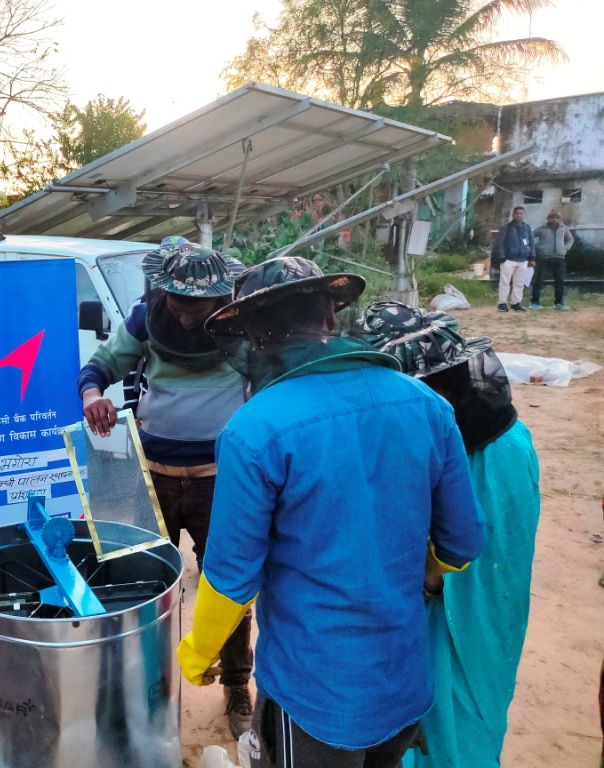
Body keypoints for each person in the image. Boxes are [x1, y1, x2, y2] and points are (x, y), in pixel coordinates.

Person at [177, 257, 485, 768]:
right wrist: (416, 576)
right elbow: (463, 543)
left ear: (255, 336)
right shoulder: (426, 403)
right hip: (404, 680)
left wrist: (197, 653)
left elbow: (231, 577)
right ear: (330, 317)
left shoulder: (254, 429)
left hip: (315, 696)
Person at [77, 243, 256, 737]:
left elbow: (270, 385)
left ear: (220, 298)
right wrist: (94, 396)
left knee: (230, 586)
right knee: (142, 581)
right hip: (152, 477)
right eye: (175, 303)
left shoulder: (243, 327)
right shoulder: (144, 320)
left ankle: (237, 684)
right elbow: (98, 368)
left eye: (194, 307)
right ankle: (139, 684)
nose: (181, 315)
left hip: (221, 482)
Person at [378, 326, 539, 768]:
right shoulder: (510, 436)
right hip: (479, 590)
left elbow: (462, 543)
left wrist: (428, 581)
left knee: (455, 680)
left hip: (465, 593)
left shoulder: (490, 447)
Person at [492, 206, 536, 312]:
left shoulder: (527, 228)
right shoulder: (506, 228)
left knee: (519, 283)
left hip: (523, 260)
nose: (518, 215)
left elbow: (531, 243)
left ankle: (516, 303)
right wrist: (502, 258)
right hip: (509, 260)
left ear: (524, 215)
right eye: (517, 213)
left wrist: (532, 258)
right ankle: (502, 303)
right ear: (513, 214)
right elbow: (500, 243)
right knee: (505, 282)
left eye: (521, 213)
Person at [531, 210, 574, 311]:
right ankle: (535, 302)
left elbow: (570, 239)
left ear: (559, 219)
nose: (554, 219)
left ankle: (559, 303)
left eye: (557, 217)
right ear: (548, 218)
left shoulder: (563, 228)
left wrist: (565, 248)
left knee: (559, 281)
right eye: (552, 217)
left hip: (559, 257)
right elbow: (530, 237)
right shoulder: (541, 228)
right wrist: (535, 248)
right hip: (544, 257)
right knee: (539, 280)